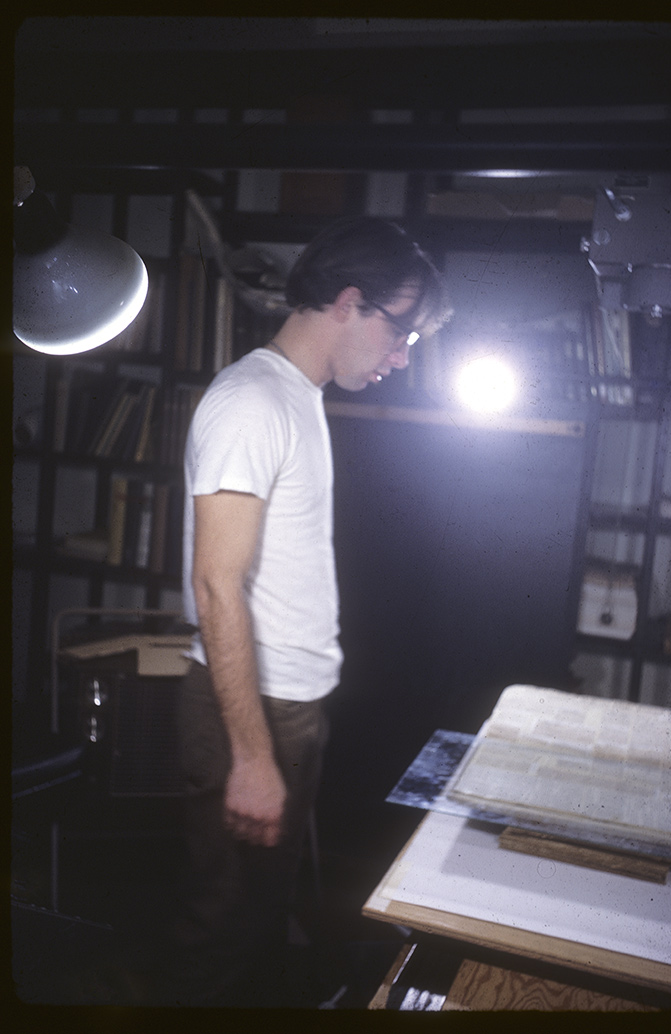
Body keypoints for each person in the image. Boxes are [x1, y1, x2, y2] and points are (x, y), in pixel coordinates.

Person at [172, 216, 450, 1006]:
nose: (403, 356)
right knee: (218, 938)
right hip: (249, 711)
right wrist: (252, 757)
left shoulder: (296, 396)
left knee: (256, 926)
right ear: (351, 303)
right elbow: (216, 585)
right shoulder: (252, 401)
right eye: (402, 333)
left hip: (287, 703)